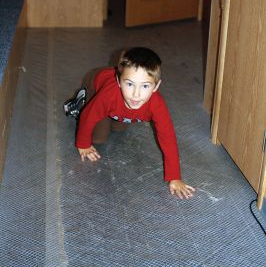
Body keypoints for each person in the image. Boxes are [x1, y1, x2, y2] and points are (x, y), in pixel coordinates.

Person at [64, 47, 195, 199]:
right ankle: (79, 101)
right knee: (99, 138)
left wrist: (175, 177)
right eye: (130, 84)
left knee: (119, 127)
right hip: (95, 82)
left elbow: (168, 137)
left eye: (145, 86)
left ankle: (114, 106)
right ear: (119, 82)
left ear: (156, 86)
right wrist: (83, 144)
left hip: (117, 101)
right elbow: (88, 117)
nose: (136, 94)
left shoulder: (157, 105)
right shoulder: (108, 96)